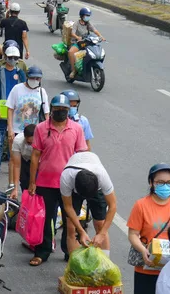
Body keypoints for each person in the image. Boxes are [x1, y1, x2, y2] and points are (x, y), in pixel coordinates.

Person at [27, 94, 87, 266]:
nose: (60, 113)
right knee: (45, 219)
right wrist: (32, 182)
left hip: (69, 184)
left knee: (71, 220)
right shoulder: (41, 128)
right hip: (45, 183)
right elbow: (35, 155)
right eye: (57, 110)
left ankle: (69, 252)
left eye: (64, 110)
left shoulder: (76, 129)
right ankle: (42, 252)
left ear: (69, 111)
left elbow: (81, 155)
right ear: (51, 110)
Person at [127, 163, 170, 294]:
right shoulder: (141, 205)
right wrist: (143, 250)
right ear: (151, 183)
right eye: (160, 182)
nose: (165, 186)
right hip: (147, 267)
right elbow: (133, 234)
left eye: (169, 182)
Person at [60, 152, 117, 259]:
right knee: (71, 228)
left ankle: (103, 268)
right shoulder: (66, 177)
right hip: (75, 189)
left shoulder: (102, 176)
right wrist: (81, 231)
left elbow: (113, 206)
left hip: (95, 183)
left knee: (100, 224)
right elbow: (68, 206)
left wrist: (102, 234)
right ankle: (73, 271)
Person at [0, 46, 27, 179]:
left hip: (17, 111)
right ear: (5, 57)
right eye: (10, 58)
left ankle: (16, 166)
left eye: (15, 58)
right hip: (4, 108)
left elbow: (24, 89)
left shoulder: (20, 72)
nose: (13, 60)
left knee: (17, 140)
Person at [68, 7, 105, 79]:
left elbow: (95, 30)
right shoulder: (76, 23)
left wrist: (101, 36)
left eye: (88, 16)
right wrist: (77, 37)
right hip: (78, 42)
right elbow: (72, 33)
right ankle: (73, 70)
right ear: (82, 16)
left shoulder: (88, 24)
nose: (87, 17)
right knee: (71, 52)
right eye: (86, 16)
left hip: (86, 42)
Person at [10, 123, 35, 197]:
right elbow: (17, 165)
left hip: (37, 161)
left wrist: (33, 183)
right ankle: (26, 201)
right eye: (28, 142)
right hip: (24, 159)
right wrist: (15, 188)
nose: (30, 144)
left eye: (31, 142)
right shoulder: (18, 141)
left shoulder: (41, 141)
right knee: (24, 182)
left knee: (36, 186)